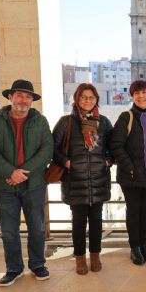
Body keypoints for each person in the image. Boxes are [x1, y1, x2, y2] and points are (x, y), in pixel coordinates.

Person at [0, 80, 53, 286]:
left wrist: (22, 173)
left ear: (32, 100)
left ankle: (37, 264)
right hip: (5, 185)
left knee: (37, 228)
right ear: (10, 97)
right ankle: (14, 268)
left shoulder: (40, 121)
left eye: (28, 97)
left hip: (33, 184)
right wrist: (10, 172)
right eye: (19, 95)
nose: (23, 100)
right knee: (8, 230)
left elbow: (47, 150)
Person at [52, 83, 113, 275]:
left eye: (91, 97)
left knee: (96, 221)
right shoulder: (66, 122)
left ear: (96, 100)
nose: (88, 101)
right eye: (84, 97)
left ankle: (95, 256)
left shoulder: (103, 122)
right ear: (77, 100)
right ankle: (80, 258)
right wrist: (67, 162)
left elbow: (115, 146)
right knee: (78, 223)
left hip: (98, 179)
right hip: (75, 181)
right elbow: (52, 149)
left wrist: (109, 161)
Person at [111, 80, 146, 265]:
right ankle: (134, 248)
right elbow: (115, 146)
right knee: (133, 211)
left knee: (145, 211)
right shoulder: (126, 117)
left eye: (144, 92)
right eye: (137, 93)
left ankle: (144, 245)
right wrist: (130, 166)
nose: (141, 96)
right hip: (132, 175)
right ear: (132, 96)